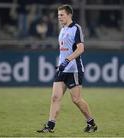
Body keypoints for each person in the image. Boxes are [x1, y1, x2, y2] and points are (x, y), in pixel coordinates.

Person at [37, 4, 97, 133]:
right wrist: (61, 63)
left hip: (74, 69)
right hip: (62, 69)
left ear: (69, 15)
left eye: (62, 15)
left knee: (76, 99)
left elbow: (81, 49)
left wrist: (67, 60)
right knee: (55, 97)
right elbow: (64, 50)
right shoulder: (62, 29)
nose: (59, 17)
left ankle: (91, 123)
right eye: (58, 15)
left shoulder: (76, 28)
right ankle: (50, 126)